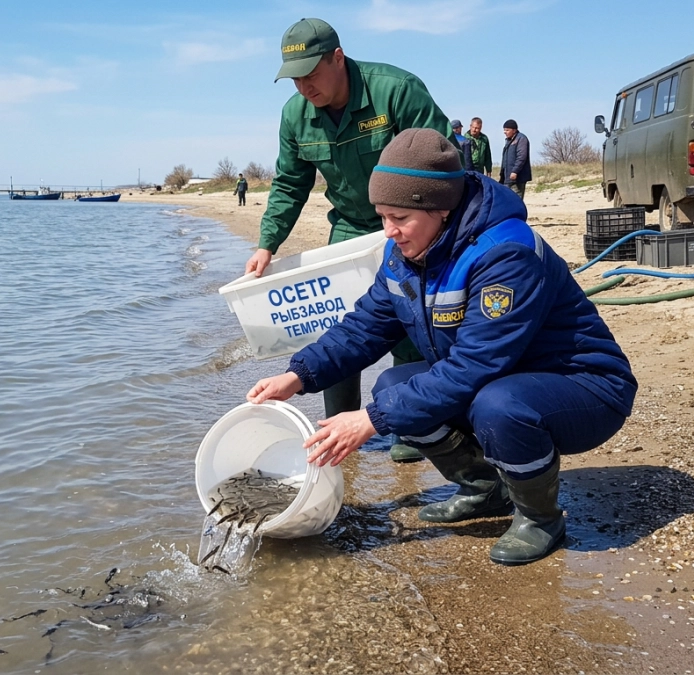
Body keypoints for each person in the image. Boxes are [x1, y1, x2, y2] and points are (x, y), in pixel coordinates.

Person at [247, 128, 636, 565]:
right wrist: (298, 375)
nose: (389, 231)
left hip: (584, 387)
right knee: (392, 386)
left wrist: (371, 420)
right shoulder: (405, 252)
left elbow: (474, 365)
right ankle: (484, 488)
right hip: (505, 376)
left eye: (400, 217)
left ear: (442, 208)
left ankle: (540, 518)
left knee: (497, 406)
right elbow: (363, 328)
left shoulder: (506, 253)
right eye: (382, 216)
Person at [247, 17, 458, 453]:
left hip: (409, 219)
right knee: (336, 323)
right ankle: (338, 426)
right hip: (349, 225)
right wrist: (268, 243)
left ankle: (409, 426)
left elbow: (444, 162)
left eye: (310, 73)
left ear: (338, 58)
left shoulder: (395, 91)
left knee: (410, 316)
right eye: (294, 78)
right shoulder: (295, 115)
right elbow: (289, 184)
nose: (303, 86)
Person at [499, 119, 531, 201]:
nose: (505, 132)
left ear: (514, 130)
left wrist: (515, 171)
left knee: (516, 201)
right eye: (504, 130)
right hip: (507, 178)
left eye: (507, 130)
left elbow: (521, 157)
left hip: (517, 178)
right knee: (506, 201)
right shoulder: (508, 140)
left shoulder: (521, 139)